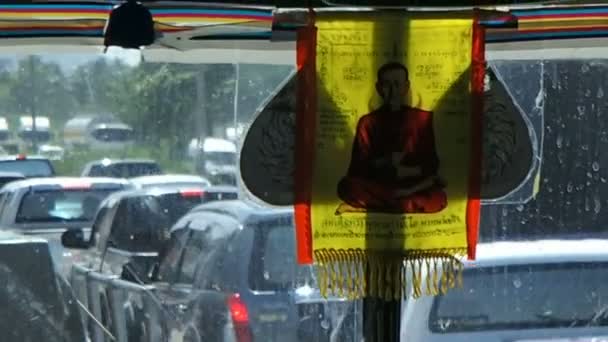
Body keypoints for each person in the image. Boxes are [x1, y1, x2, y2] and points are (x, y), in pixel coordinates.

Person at [336, 62, 447, 215]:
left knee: (438, 198)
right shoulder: (368, 122)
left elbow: (432, 164)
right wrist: (384, 164)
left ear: (406, 87)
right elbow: (357, 169)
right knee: (346, 186)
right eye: (387, 85)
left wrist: (407, 172)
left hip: (413, 185)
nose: (393, 90)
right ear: (379, 88)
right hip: (380, 185)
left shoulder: (421, 119)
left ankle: (373, 205)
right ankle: (400, 202)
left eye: (397, 84)